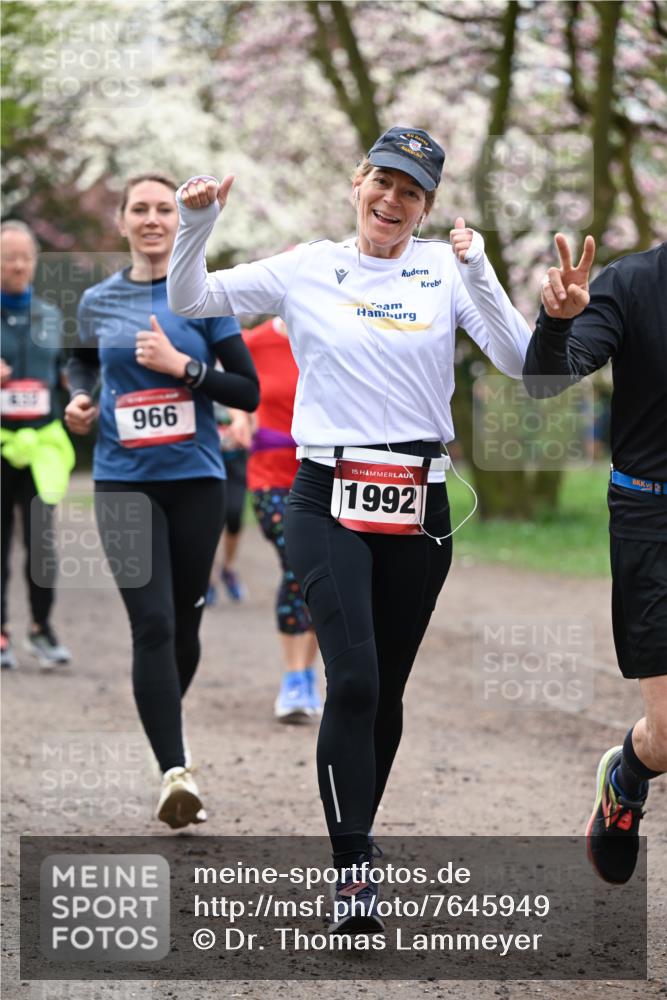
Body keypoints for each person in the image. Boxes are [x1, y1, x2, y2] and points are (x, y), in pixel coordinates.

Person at [167, 126, 532, 930]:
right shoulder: (307, 266)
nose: (392, 201)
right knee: (355, 680)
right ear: (357, 183)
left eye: (411, 192)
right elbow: (190, 300)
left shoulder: (443, 267)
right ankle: (355, 872)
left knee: (385, 691)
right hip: (325, 491)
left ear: (426, 207)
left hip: (419, 500)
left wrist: (480, 271)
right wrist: (195, 226)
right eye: (382, 183)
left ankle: (357, 839)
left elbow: (518, 359)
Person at [64, 173, 259, 829]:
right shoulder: (96, 300)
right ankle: (174, 770)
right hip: (123, 480)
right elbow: (82, 364)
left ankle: (163, 729)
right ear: (120, 221)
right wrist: (82, 400)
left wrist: (184, 368)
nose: (152, 219)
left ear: (181, 222)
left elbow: (247, 391)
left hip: (196, 482)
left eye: (164, 209)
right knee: (150, 624)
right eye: (139, 209)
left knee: (183, 624)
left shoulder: (205, 298)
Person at [523, 235, 666, 885]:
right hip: (651, 516)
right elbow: (545, 379)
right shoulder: (631, 283)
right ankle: (628, 772)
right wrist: (556, 322)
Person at [232, 315, 321, 723]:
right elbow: (234, 383)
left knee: (323, 572)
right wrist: (238, 416)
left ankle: (307, 676)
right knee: (297, 562)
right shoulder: (255, 341)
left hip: (323, 471)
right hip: (269, 474)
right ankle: (291, 678)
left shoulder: (332, 330)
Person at [1, 220, 75, 670]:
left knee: (42, 544)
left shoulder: (50, 315)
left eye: (25, 257)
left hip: (43, 445)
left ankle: (41, 628)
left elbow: (69, 372)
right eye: (9, 257)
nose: (17, 265)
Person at [205, 402, 249, 606]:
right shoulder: (195, 372)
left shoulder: (239, 372)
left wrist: (246, 428)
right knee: (210, 520)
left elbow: (254, 414)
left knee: (234, 515)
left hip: (235, 462)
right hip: (206, 462)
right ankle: (209, 579)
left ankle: (228, 569)